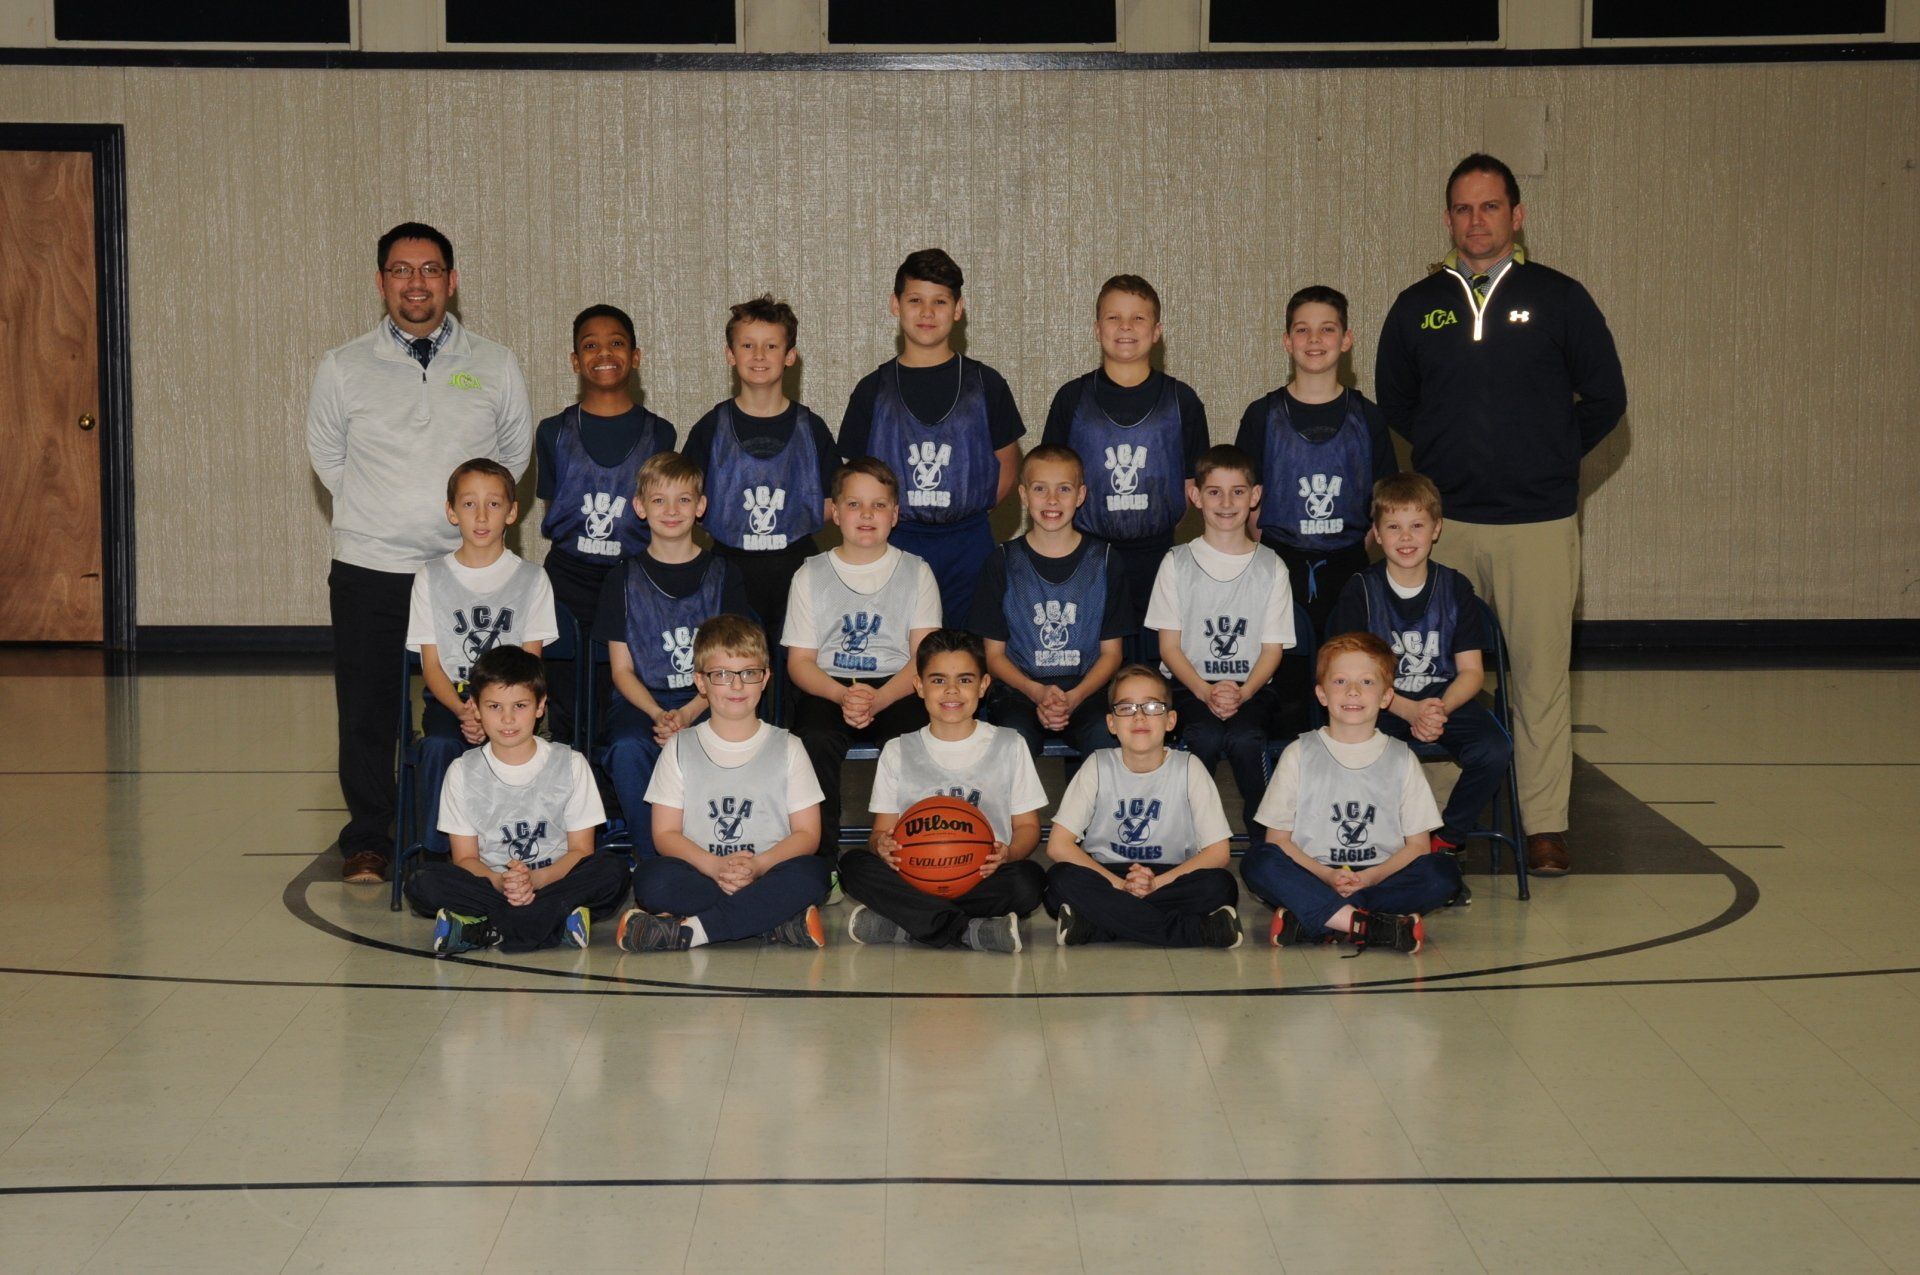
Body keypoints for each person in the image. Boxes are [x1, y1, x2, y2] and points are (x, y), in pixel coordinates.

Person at [1374, 153, 1627, 876]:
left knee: (1540, 678)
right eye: (1462, 208)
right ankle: (1431, 820)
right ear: (1448, 218)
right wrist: (1445, 463)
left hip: (1537, 524)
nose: (1475, 220)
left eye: (1489, 207)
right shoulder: (1418, 305)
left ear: (1516, 217)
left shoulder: (1560, 298)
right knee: (1429, 674)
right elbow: (1398, 404)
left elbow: (1606, 398)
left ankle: (1544, 824)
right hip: (1443, 529)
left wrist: (1549, 458)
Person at [307, 221, 532, 884]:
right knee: (369, 709)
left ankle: (481, 827)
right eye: (401, 270)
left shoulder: (495, 362)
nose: (416, 282)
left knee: (487, 702)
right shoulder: (343, 364)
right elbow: (328, 458)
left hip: (467, 573)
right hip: (370, 567)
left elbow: (513, 456)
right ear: (381, 283)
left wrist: (468, 533)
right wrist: (385, 513)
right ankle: (370, 837)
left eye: (430, 270)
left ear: (451, 282)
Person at [615, 616, 832, 952]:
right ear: (700, 683)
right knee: (650, 879)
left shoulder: (788, 746)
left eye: (749, 673)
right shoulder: (679, 747)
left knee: (814, 874)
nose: (736, 686)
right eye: (721, 675)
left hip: (768, 869)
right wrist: (715, 867)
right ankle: (773, 920)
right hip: (702, 871)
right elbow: (665, 835)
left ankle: (693, 932)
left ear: (766, 679)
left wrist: (758, 865)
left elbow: (807, 834)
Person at [1327, 472, 1511, 861]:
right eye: (1393, 527)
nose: (1406, 537)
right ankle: (1380, 843)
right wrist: (1408, 708)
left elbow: (1472, 672)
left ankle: (1445, 839)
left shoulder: (1455, 587)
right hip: (1379, 702)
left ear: (1437, 529)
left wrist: (1437, 709)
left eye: (1417, 526)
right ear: (1376, 533)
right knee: (1358, 747)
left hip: (1443, 699)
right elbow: (1349, 676)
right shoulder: (1360, 589)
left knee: (1494, 749)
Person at [1240, 633, 1461, 952]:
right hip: (1313, 873)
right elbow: (1278, 841)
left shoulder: (1402, 758)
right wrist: (1328, 876)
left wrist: (1370, 877)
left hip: (1381, 876)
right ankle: (1371, 926)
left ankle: (1317, 920)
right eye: (1340, 681)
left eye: (1367, 682)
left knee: (1443, 873)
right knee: (1258, 861)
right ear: (1321, 694)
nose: (1354, 691)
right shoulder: (1299, 753)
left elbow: (1417, 847)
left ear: (1386, 697)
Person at [837, 248, 1024, 626]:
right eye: (915, 300)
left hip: (969, 542)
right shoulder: (872, 390)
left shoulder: (986, 385)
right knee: (895, 652)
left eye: (939, 301)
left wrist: (971, 513)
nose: (927, 312)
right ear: (895, 305)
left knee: (968, 656)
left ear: (958, 309)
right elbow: (851, 475)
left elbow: (1009, 460)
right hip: (895, 541)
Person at [403, 645, 628, 955]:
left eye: (520, 705)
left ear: (540, 706)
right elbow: (465, 858)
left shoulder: (571, 763)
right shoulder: (462, 770)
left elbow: (580, 850)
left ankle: (485, 929)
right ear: (476, 708)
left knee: (611, 870)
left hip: (554, 879)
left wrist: (535, 880)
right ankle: (555, 923)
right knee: (421, 882)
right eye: (494, 707)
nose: (507, 719)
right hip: (493, 884)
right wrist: (500, 882)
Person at [838, 629, 1047, 953]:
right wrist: (882, 846)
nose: (951, 690)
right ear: (919, 686)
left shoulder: (1010, 743)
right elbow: (879, 832)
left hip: (981, 876)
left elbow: (1028, 828)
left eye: (964, 680)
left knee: (1029, 881)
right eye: (938, 680)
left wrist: (1010, 854)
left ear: (984, 685)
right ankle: (968, 930)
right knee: (853, 866)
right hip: (914, 877)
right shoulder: (898, 749)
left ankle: (906, 924)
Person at [594, 453, 751, 857]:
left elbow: (738, 664)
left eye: (683, 500)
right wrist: (657, 715)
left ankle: (712, 851)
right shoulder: (620, 580)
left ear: (700, 507)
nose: (671, 510)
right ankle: (654, 861)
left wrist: (688, 713)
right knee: (627, 747)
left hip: (714, 698)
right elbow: (621, 669)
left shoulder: (725, 575)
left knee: (727, 739)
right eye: (659, 500)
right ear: (640, 507)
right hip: (641, 699)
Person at [783, 459, 940, 857]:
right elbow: (800, 662)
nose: (867, 514)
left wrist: (880, 698)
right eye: (854, 504)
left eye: (879, 505)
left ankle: (911, 854)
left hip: (900, 683)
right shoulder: (809, 574)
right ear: (835, 512)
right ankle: (822, 864)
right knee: (813, 741)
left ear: (895, 514)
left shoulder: (917, 571)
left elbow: (926, 659)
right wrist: (841, 696)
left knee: (913, 742)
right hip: (829, 684)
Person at [534, 304, 675, 746]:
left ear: (636, 356)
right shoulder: (553, 431)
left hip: (635, 579)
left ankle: (617, 805)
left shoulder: (661, 434)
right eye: (590, 345)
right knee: (567, 703)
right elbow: (555, 508)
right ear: (575, 361)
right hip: (568, 579)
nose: (604, 353)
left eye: (616, 342)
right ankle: (572, 799)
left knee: (625, 702)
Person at [1040, 274, 1209, 641]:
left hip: (1159, 557)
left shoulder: (1182, 401)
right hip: (1085, 557)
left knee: (1153, 667)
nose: (1126, 327)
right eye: (1114, 317)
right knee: (1091, 662)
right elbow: (1049, 482)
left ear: (1157, 330)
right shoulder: (1072, 398)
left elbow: (1195, 486)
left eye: (1138, 318)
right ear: (1097, 328)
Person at [404, 459, 557, 859]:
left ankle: (508, 855)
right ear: (451, 511)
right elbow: (431, 666)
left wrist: (496, 711)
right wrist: (462, 710)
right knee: (438, 745)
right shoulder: (430, 577)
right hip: (452, 701)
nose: (482, 515)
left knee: (516, 751)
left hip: (514, 708)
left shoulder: (532, 579)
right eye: (469, 504)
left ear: (512, 511)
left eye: (493, 504)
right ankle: (438, 860)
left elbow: (530, 665)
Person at [1145, 445, 1296, 838]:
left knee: (1247, 739)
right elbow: (1169, 648)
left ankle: (1267, 839)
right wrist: (1204, 691)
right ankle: (1188, 834)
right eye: (1214, 491)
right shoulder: (1175, 562)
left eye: (1238, 491)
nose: (1226, 502)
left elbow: (1272, 650)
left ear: (1255, 495)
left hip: (1254, 687)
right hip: (1188, 686)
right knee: (1203, 737)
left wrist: (1242, 693)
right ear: (1195, 496)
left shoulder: (1272, 566)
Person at [1042, 665, 1242, 948]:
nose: (1139, 716)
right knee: (1059, 881)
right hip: (1107, 874)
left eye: (1151, 706)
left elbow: (1218, 852)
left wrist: (1155, 884)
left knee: (1220, 885)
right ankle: (1198, 932)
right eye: (1126, 708)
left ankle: (1098, 926)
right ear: (1111, 723)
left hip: (1171, 875)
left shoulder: (1189, 768)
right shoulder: (1097, 765)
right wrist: (1120, 885)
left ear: (1170, 720)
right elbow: (1058, 846)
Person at [1235, 285, 1396, 636]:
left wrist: (1354, 547)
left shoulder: (1368, 418)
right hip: (1278, 564)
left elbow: (1385, 502)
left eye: (1327, 329)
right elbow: (1244, 497)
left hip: (1350, 565)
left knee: (1347, 673)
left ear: (1346, 339)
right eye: (1302, 329)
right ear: (1287, 341)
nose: (1314, 339)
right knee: (1286, 679)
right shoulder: (1262, 415)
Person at [682, 294, 838, 642]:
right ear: (730, 354)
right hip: (728, 569)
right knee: (734, 668)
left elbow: (835, 501)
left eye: (771, 346)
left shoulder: (811, 429)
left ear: (790, 356)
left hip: (797, 568)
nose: (759, 355)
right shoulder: (710, 428)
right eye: (748, 345)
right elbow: (684, 499)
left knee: (795, 672)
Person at [968, 445, 1130, 760]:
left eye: (1064, 489)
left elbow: (1112, 654)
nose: (1052, 500)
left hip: (1088, 692)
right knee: (1013, 745)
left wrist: (1075, 696)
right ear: (1024, 495)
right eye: (1040, 489)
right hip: (1019, 693)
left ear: (1081, 495)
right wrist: (1037, 692)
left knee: (1107, 739)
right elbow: (993, 656)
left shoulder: (1106, 560)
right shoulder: (1002, 561)